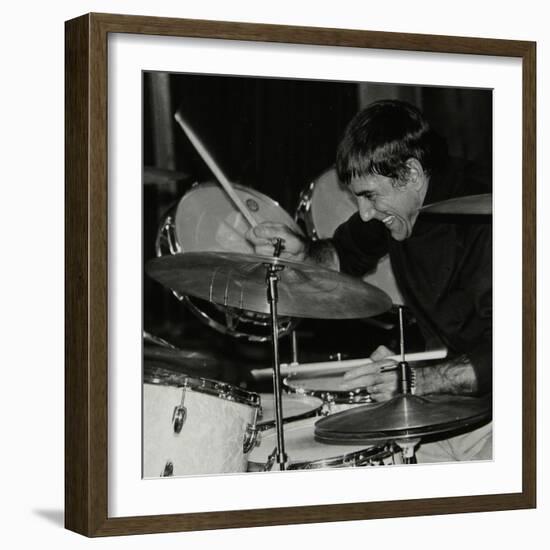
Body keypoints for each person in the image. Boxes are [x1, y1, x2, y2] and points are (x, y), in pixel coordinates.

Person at [246, 99, 492, 462]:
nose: (364, 212)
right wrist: (304, 253)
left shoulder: (487, 217)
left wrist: (414, 382)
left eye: (369, 196)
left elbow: (523, 352)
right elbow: (343, 254)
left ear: (410, 172)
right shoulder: (397, 204)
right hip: (449, 407)